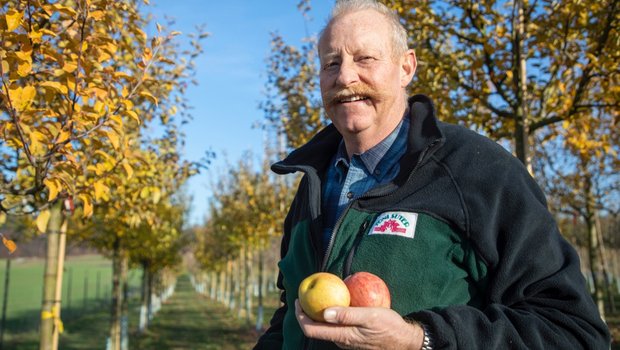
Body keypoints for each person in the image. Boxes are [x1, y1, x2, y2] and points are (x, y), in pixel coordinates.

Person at [254, 0, 611, 349]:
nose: (345, 76)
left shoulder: (479, 172)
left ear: (406, 68)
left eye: (364, 58)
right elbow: (290, 318)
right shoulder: (313, 182)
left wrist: (420, 339)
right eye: (331, 63)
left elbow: (573, 331)